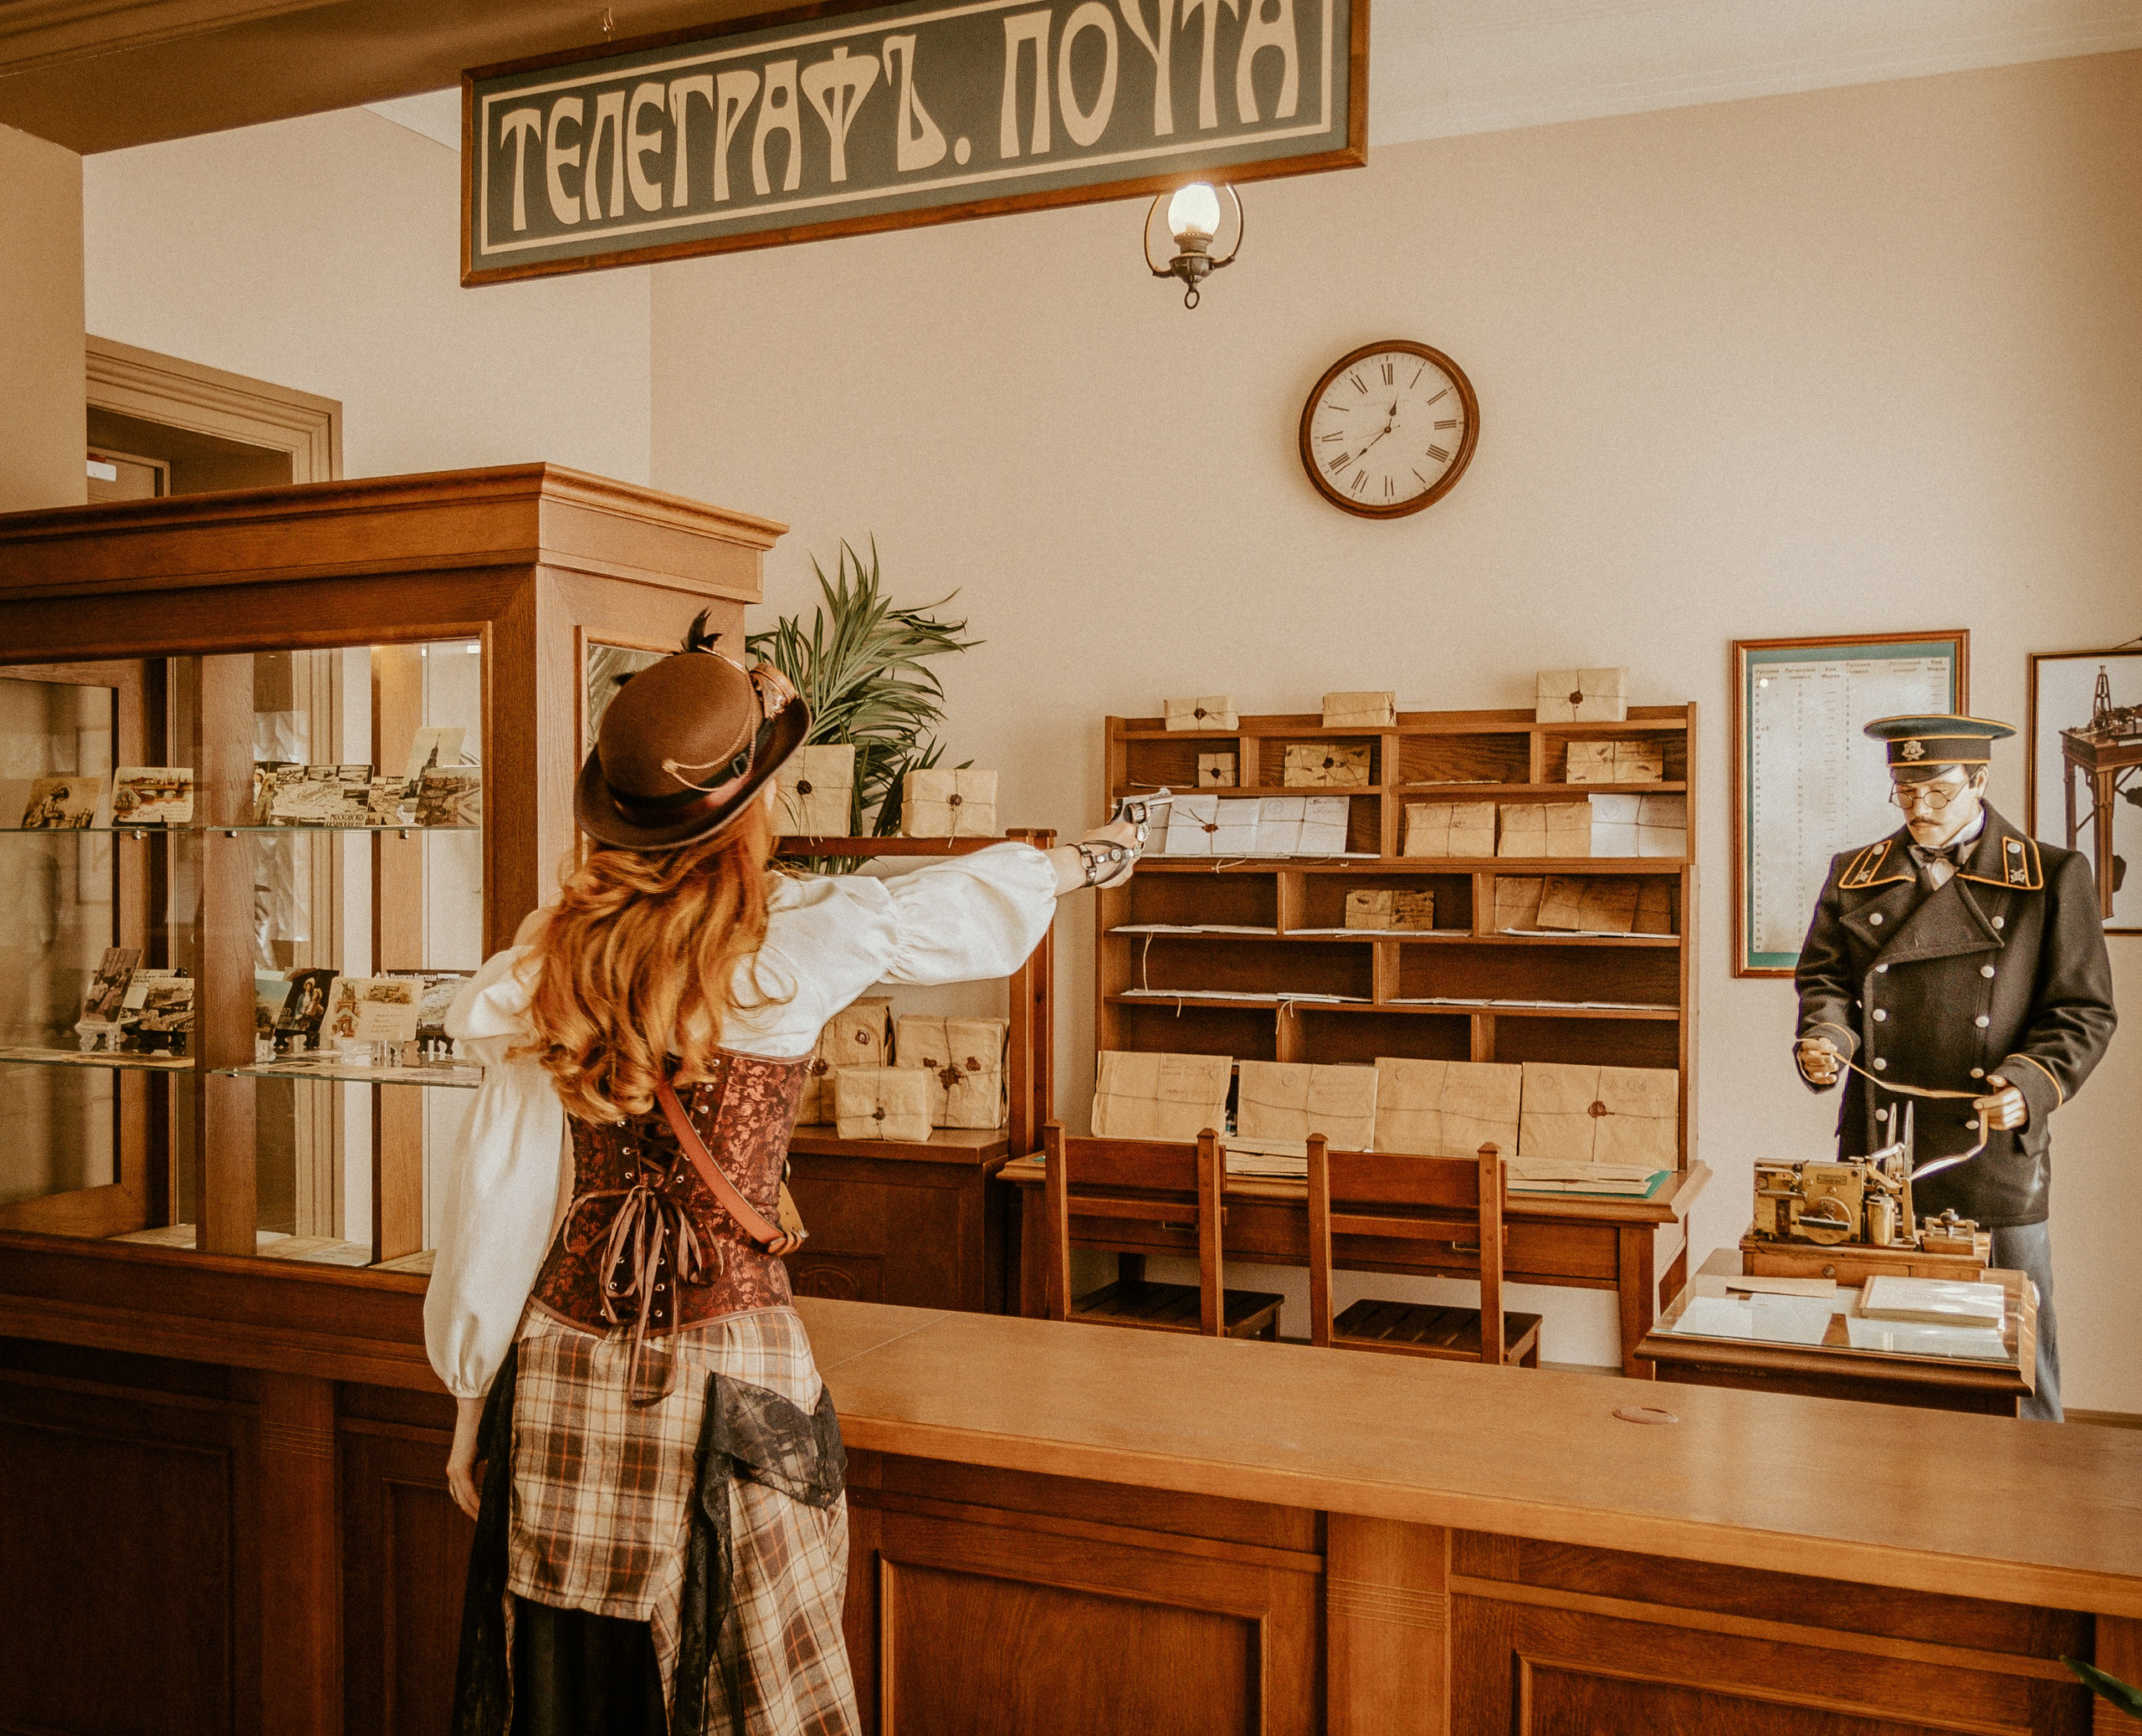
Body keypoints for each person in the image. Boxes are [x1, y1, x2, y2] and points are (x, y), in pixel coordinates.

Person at [425, 629, 1143, 1734]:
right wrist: (1092, 858)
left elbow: (504, 1189)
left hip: (561, 1365)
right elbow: (961, 904)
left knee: (575, 1688)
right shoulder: (800, 944)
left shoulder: (546, 957)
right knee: (751, 1686)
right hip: (734, 1371)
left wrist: (474, 1393)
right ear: (749, 805)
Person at [1794, 714, 2116, 1421]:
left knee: (2017, 1362)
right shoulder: (1856, 872)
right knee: (1885, 1353)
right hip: (1882, 1148)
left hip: (1989, 1152)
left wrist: (2031, 1083)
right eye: (1903, 792)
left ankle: (2036, 1498)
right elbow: (1825, 986)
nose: (1918, 809)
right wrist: (1827, 1042)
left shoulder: (2052, 876)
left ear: (1979, 779)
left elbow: (2084, 1010)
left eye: (1937, 791)